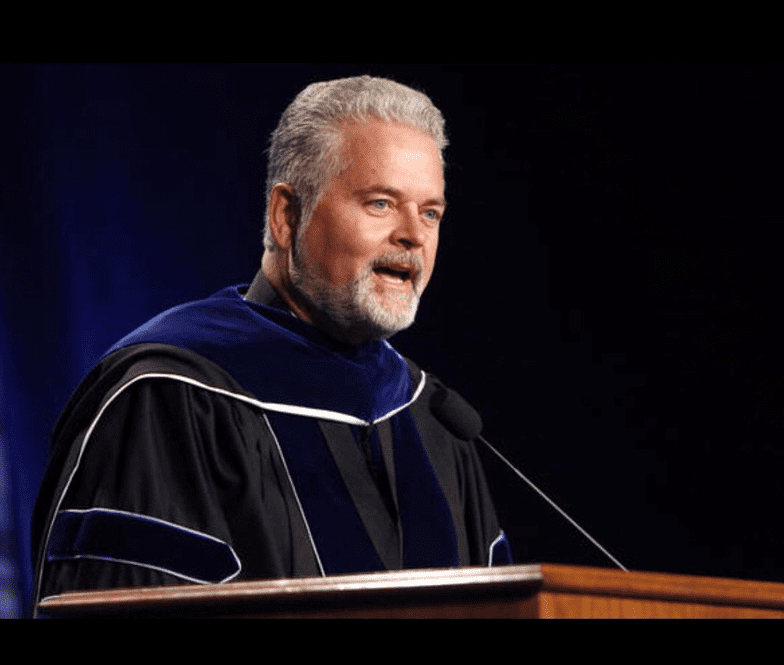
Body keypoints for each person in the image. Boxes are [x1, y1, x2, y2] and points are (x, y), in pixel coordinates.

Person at [31, 75, 511, 609]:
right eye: (380, 203)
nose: (413, 236)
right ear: (287, 216)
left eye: (430, 213)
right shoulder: (171, 397)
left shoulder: (430, 419)